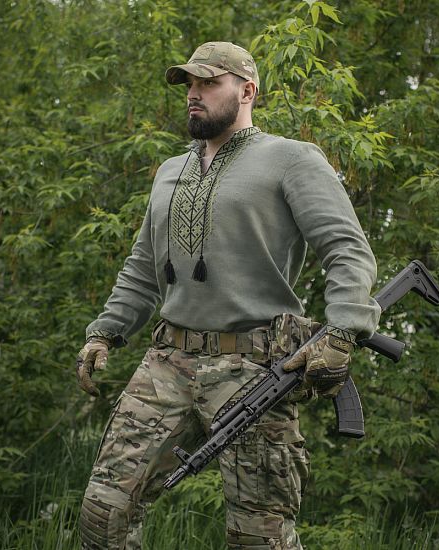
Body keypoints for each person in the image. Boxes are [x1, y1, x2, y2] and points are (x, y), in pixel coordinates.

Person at [76, 41, 380, 550]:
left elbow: (347, 248)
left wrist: (343, 331)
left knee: (259, 536)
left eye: (208, 83)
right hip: (167, 363)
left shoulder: (291, 159)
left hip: (255, 368)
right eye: (190, 84)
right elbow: (143, 269)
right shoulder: (171, 171)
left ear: (247, 90)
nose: (193, 94)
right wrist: (105, 332)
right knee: (102, 514)